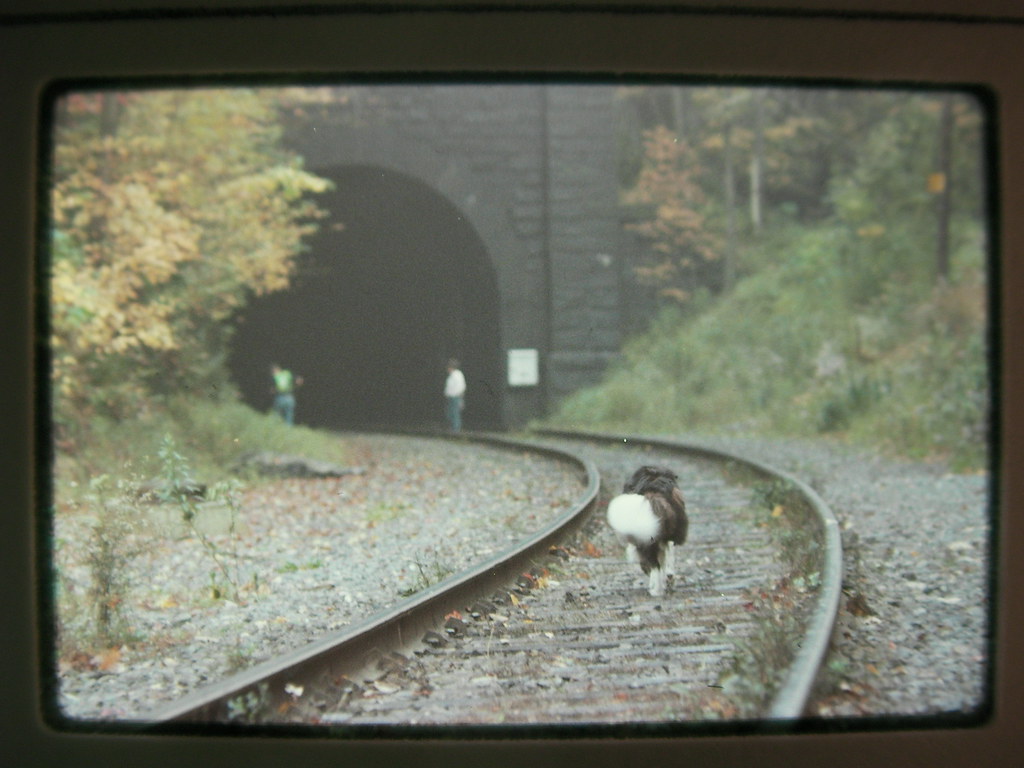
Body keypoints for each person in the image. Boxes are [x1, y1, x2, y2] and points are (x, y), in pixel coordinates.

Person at [444, 358, 466, 433]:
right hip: (451, 397)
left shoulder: (457, 375)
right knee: (450, 412)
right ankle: (452, 427)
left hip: (455, 396)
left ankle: (456, 429)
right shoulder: (452, 375)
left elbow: (461, 387)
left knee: (455, 412)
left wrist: (460, 397)